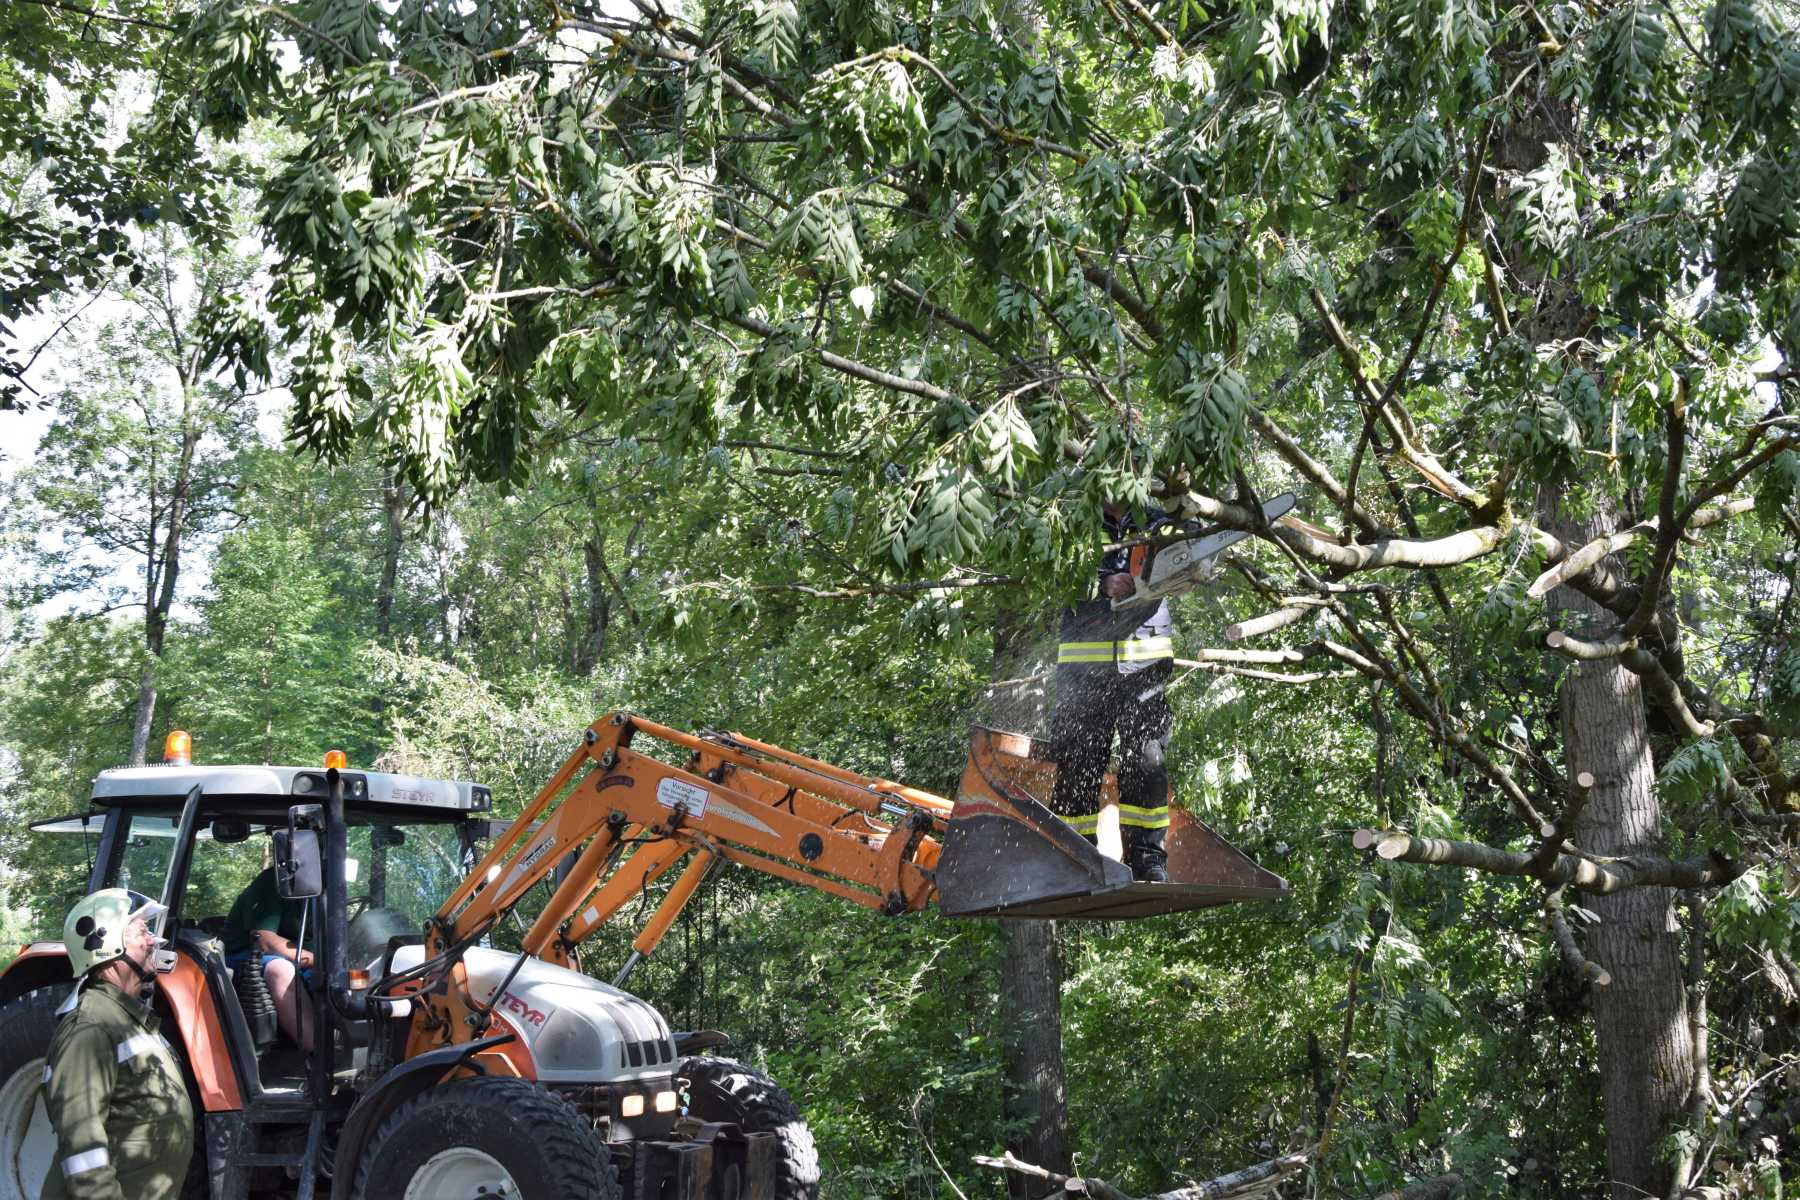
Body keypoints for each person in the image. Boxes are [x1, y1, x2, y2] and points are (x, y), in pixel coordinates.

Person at [1049, 500, 1175, 883]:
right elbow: (1046, 574)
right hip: (1084, 668)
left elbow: (1183, 565)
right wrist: (1100, 583)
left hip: (1145, 665)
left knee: (1147, 763)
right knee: (1080, 763)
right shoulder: (1071, 519)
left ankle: (1147, 858)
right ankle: (1077, 856)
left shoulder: (1158, 522)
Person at [41, 888, 195, 1200]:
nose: (153, 941)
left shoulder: (129, 1018)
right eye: (142, 932)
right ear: (108, 944)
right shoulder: (90, 1028)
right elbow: (82, 1146)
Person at [222, 866, 315, 1051]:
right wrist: (317, 960)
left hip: (302, 956)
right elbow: (264, 940)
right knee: (280, 970)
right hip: (247, 956)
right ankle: (321, 1053)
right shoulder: (276, 880)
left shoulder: (332, 886)